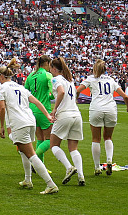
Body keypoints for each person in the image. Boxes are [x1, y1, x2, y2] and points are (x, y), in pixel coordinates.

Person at [0, 58, 59, 195]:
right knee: (22, 151)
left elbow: (1, 109)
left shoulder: (1, 88)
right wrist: (47, 115)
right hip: (30, 121)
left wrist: (2, 126)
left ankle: (51, 184)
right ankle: (27, 180)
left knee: (30, 154)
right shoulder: (20, 87)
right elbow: (36, 101)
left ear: (1, 76)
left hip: (20, 123)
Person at [75, 59, 128, 175]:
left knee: (96, 139)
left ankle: (97, 167)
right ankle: (109, 160)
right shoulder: (111, 80)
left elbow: (78, 90)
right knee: (108, 137)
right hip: (111, 109)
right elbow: (125, 96)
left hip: (96, 108)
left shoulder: (91, 79)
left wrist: (74, 100)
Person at [48, 57, 86, 186]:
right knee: (73, 148)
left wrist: (54, 109)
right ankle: (81, 176)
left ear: (54, 68)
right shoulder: (70, 80)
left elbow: (61, 92)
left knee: (54, 145)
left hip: (64, 115)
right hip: (76, 115)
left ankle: (69, 167)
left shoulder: (56, 79)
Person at [25, 54, 55, 158]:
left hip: (32, 110)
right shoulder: (47, 75)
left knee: (40, 139)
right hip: (43, 110)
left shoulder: (31, 76)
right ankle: (34, 158)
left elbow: (25, 92)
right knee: (50, 139)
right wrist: (48, 97)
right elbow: (53, 93)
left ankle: (39, 166)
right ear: (47, 64)